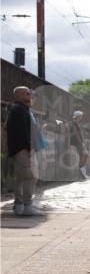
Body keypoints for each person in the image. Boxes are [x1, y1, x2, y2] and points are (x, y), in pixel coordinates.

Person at [4, 87, 41, 215]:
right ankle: (27, 206)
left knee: (21, 177)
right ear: (20, 95)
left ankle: (19, 205)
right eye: (27, 93)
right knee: (30, 176)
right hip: (22, 149)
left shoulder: (19, 109)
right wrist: (29, 147)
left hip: (18, 149)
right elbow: (23, 131)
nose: (30, 95)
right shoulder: (19, 110)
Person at [69, 110, 90, 179]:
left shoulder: (76, 123)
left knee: (85, 155)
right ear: (77, 116)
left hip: (79, 142)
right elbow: (76, 134)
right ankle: (81, 172)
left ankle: (82, 172)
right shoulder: (73, 123)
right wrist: (81, 143)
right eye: (80, 116)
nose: (81, 117)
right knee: (85, 155)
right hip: (77, 143)